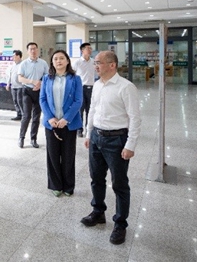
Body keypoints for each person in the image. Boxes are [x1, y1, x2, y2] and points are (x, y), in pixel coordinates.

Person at [81, 50, 141, 246]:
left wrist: (130, 145)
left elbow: (135, 118)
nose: (95, 66)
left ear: (112, 65)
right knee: (96, 178)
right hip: (96, 138)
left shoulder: (126, 87)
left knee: (119, 184)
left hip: (117, 140)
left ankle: (120, 224)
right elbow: (92, 110)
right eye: (95, 63)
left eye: (98, 62)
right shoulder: (97, 84)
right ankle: (98, 212)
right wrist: (89, 134)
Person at [40, 50, 83, 197]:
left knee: (68, 155)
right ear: (52, 62)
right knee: (52, 155)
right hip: (51, 123)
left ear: (67, 61)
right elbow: (42, 99)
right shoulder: (46, 78)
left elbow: (78, 101)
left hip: (69, 124)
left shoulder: (75, 79)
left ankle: (68, 186)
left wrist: (66, 119)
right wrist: (49, 117)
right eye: (55, 59)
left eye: (61, 58)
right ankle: (55, 185)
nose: (58, 61)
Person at [17, 42, 49, 148]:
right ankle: (21, 138)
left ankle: (33, 138)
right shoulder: (23, 64)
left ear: (37, 50)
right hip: (27, 91)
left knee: (36, 116)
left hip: (39, 91)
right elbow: (20, 78)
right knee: (26, 115)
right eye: (30, 49)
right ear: (27, 51)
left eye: (34, 48)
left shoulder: (43, 63)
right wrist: (32, 81)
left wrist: (40, 84)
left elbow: (47, 77)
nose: (33, 51)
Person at [72, 43, 96, 137]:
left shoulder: (93, 62)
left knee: (90, 110)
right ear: (82, 50)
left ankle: (88, 128)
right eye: (88, 48)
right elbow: (72, 75)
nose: (90, 50)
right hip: (80, 88)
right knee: (80, 110)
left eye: (90, 48)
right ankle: (79, 129)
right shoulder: (77, 62)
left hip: (91, 88)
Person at [6, 50, 23, 121]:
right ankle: (19, 115)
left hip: (20, 86)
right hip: (13, 86)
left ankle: (24, 115)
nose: (12, 57)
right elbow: (9, 75)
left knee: (20, 101)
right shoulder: (12, 66)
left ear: (18, 56)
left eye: (14, 56)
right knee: (15, 101)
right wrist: (8, 84)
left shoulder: (23, 64)